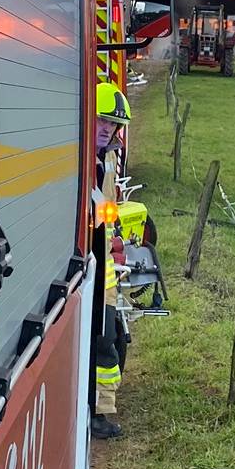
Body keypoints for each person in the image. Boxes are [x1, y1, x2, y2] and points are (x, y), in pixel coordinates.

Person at [91, 82, 130, 439]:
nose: (107, 128)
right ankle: (99, 415)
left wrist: (114, 230)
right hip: (85, 267)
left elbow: (105, 204)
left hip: (104, 271)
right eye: (103, 120)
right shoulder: (78, 158)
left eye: (113, 124)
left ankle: (100, 408)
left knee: (110, 337)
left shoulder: (108, 158)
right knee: (102, 341)